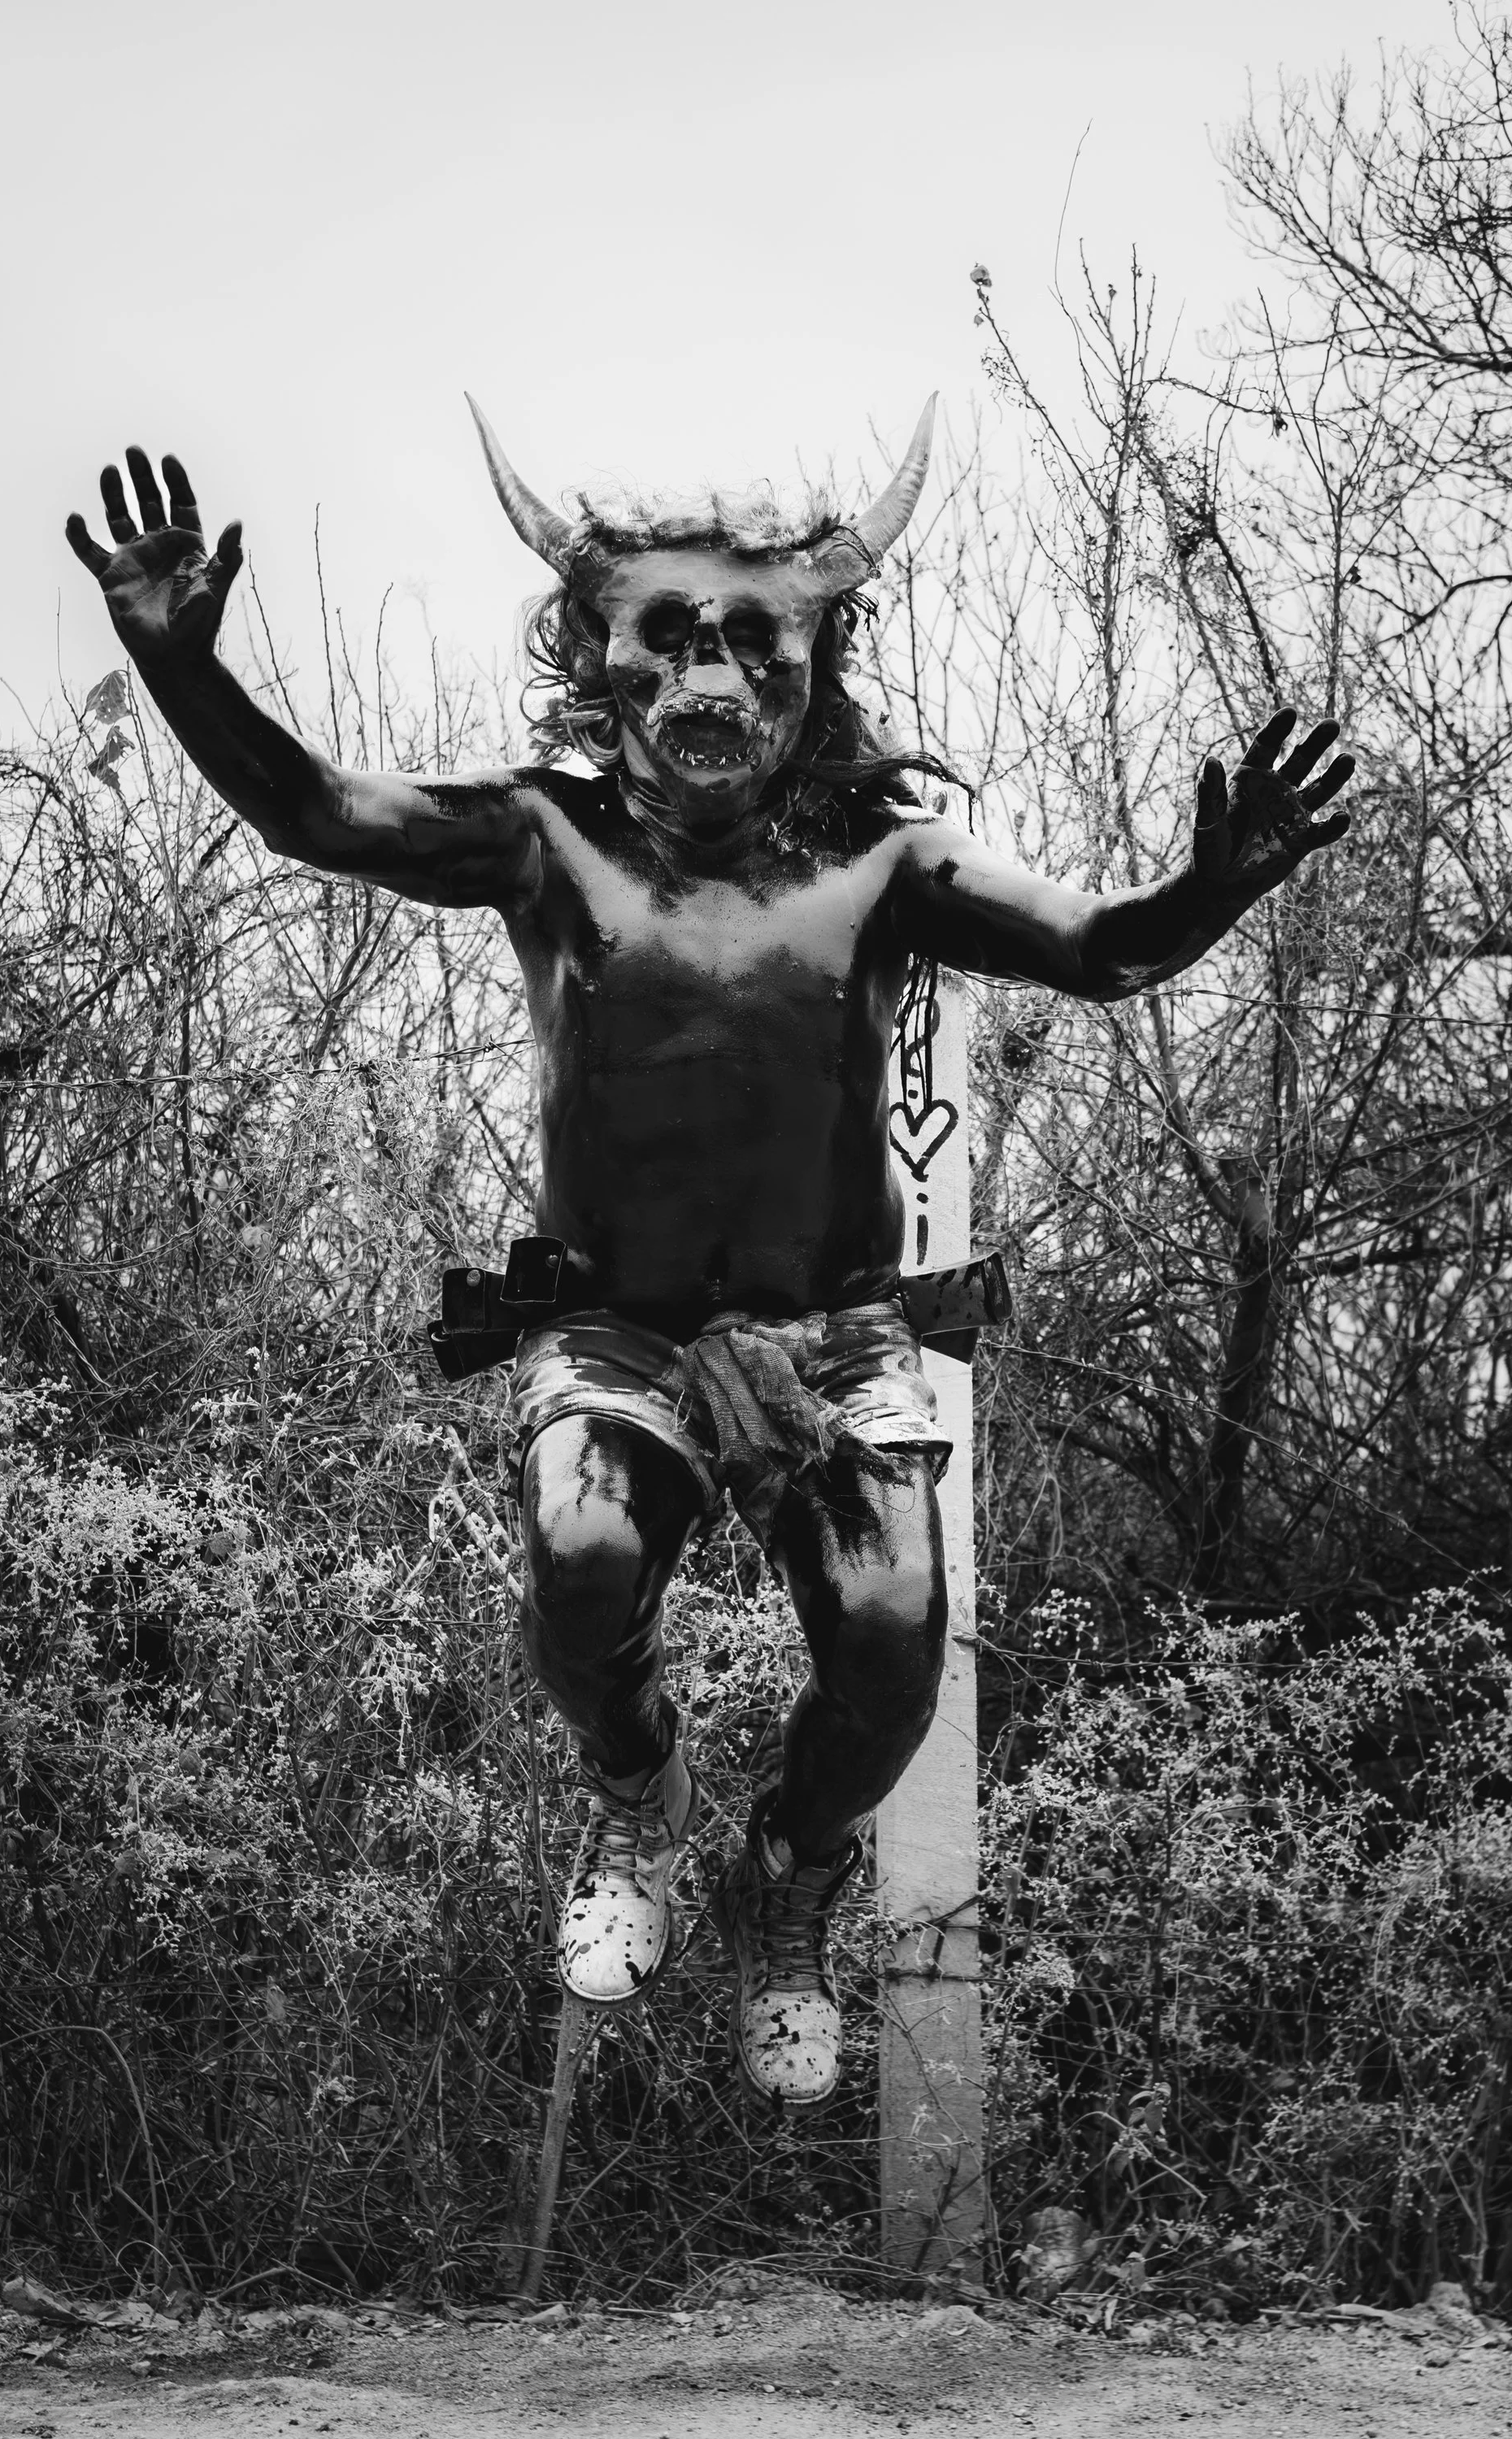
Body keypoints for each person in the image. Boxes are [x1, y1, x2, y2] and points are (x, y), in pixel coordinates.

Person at [67, 402, 1354, 2111]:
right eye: (669, 638)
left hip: (834, 1339)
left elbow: (1101, 949)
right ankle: (638, 1794)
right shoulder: (543, 840)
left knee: (892, 1636)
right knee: (583, 1560)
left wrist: (1214, 887)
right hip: (620, 1330)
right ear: (602, 662)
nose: (712, 676)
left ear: (812, 672)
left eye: (755, 643)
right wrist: (181, 670)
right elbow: (312, 809)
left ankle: (789, 1875)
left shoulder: (887, 869)